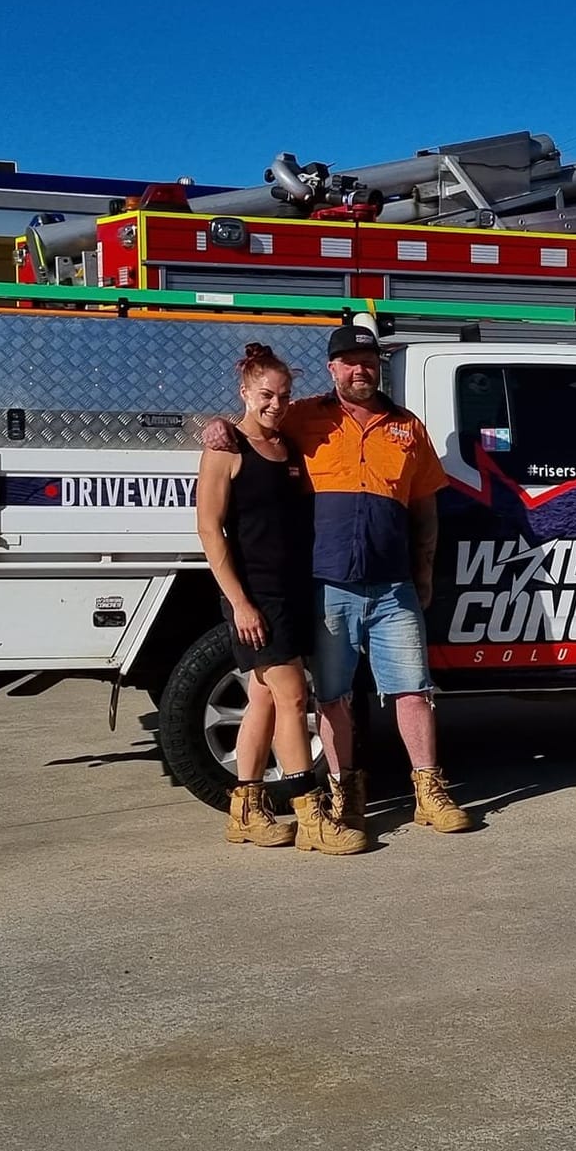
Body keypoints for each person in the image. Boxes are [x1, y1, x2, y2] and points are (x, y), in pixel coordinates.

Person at [282, 324, 474, 836]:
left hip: (393, 586)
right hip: (328, 584)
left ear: (377, 365)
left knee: (413, 690)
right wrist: (219, 428)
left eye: (366, 359)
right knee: (333, 697)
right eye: (347, 361)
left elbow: (426, 504)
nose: (358, 369)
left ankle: (429, 792)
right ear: (332, 368)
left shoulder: (407, 427)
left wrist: (424, 569)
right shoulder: (301, 417)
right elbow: (254, 432)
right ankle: (346, 796)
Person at [194, 344, 363, 855]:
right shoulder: (226, 448)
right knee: (292, 697)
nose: (275, 404)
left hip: (293, 589)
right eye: (265, 394)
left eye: (283, 395)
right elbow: (209, 529)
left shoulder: (287, 444)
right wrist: (240, 604)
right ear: (245, 393)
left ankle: (245, 811)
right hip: (255, 595)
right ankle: (310, 816)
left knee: (265, 698)